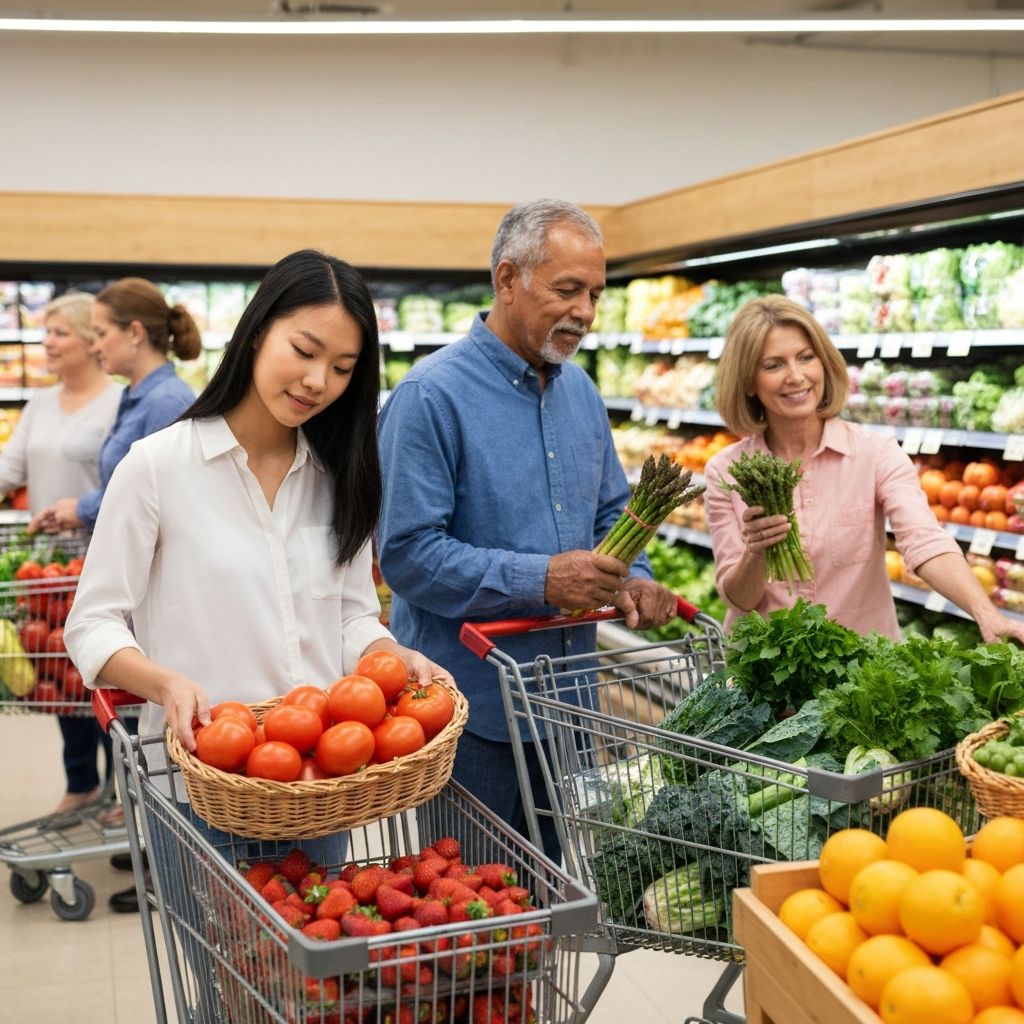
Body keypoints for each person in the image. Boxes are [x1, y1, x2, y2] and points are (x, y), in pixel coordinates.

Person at [63, 250, 452, 916]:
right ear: (257, 329)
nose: (316, 381)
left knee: (312, 998)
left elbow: (354, 618)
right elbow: (91, 623)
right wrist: (165, 683)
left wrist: (392, 659)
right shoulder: (158, 468)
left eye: (341, 368)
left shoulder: (337, 483)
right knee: (219, 989)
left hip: (319, 786)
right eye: (304, 350)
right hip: (201, 790)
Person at [376, 199, 677, 861]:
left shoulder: (583, 393)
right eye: (567, 290)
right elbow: (407, 555)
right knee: (470, 918)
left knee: (547, 907)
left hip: (566, 704)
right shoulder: (429, 398)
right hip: (468, 710)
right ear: (508, 280)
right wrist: (542, 579)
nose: (586, 313)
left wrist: (636, 579)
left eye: (595, 294)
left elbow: (610, 515)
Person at [704, 293, 1024, 644]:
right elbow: (740, 599)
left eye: (806, 358)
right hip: (768, 676)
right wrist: (756, 550)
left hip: (864, 673)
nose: (796, 376)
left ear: (824, 363)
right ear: (749, 381)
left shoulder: (875, 452)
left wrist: (985, 613)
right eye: (774, 365)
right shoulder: (727, 471)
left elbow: (924, 540)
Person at [0, 293, 121, 814]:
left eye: (57, 333)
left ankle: (123, 786)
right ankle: (81, 782)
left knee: (109, 676)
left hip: (104, 560)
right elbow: (9, 472)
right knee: (56, 677)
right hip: (46, 571)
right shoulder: (39, 405)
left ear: (92, 342)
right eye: (44, 333)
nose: (46, 342)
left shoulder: (119, 401)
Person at [29, 277, 200, 534]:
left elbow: (161, 503)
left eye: (100, 334)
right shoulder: (135, 396)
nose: (95, 346)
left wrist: (83, 509)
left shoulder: (167, 402)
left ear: (134, 333)